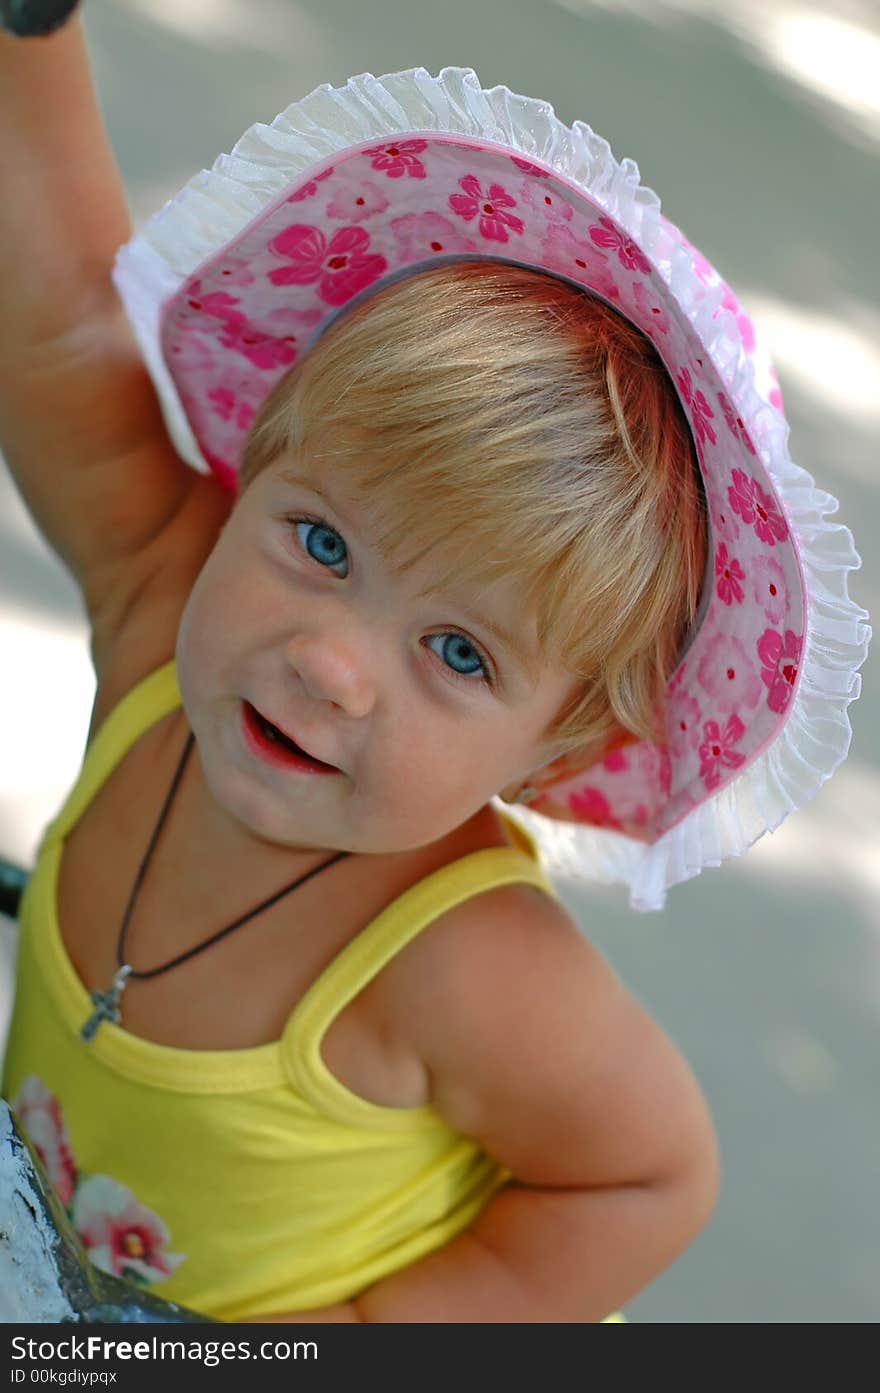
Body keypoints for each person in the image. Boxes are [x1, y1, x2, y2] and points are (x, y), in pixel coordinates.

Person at [0, 11, 869, 1324]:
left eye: (460, 651)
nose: (332, 660)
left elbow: (645, 1176)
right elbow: (63, 332)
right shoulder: (156, 625)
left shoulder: (465, 962)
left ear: (554, 748)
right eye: (322, 538)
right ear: (254, 472)